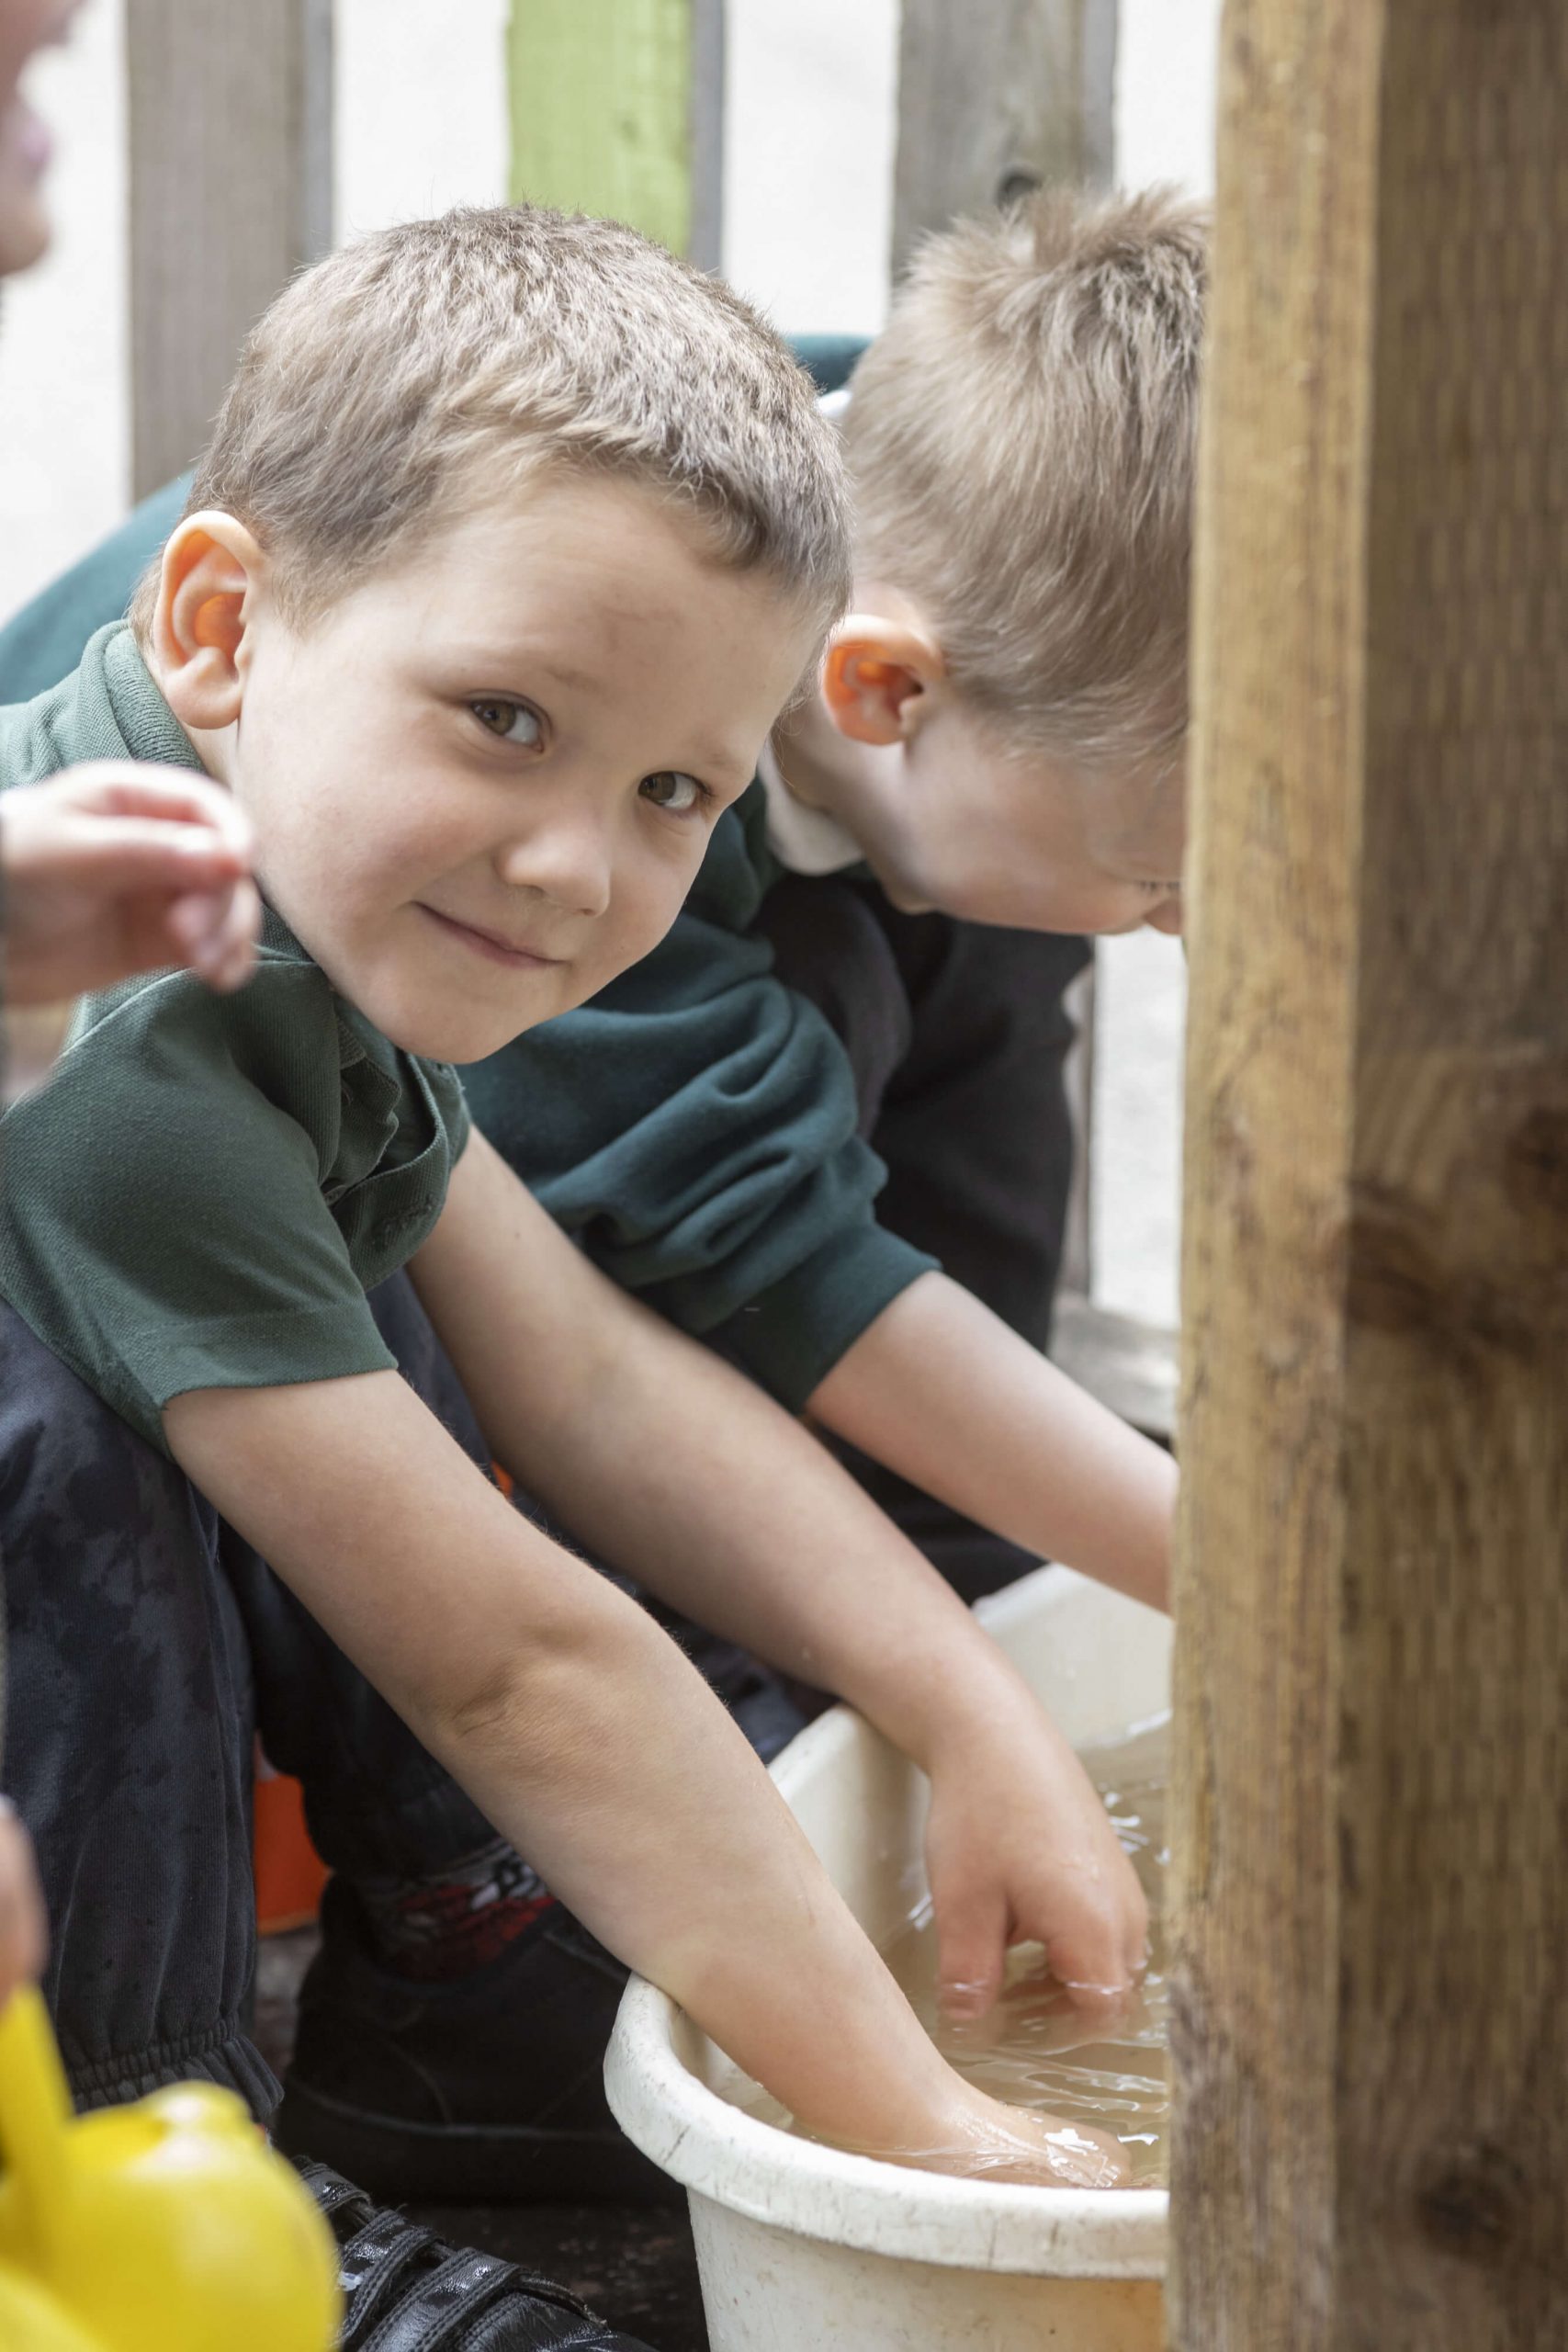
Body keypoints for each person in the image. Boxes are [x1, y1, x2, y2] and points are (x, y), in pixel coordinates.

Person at [0, 201, 1145, 2306]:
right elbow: (514, 1656)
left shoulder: (296, 898)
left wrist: (973, 1700)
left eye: (675, 789)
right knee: (55, 1431)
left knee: (399, 1284)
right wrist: (928, 2130)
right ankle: (139, 2153)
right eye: (505, 719)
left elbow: (593, 1381)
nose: (575, 867)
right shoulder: (138, 1035)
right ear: (221, 623)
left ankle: (468, 1942)